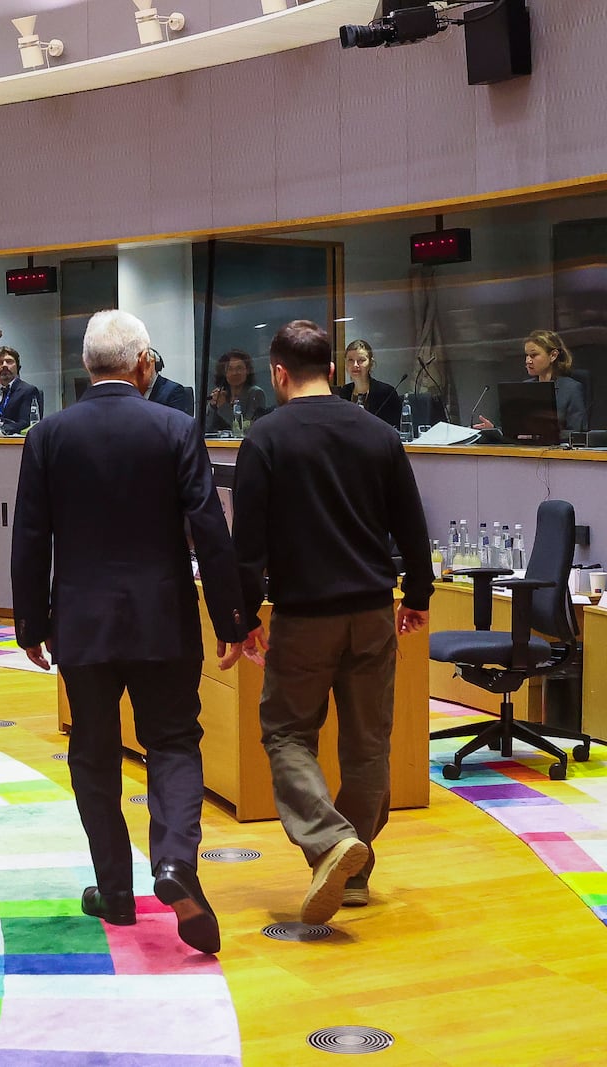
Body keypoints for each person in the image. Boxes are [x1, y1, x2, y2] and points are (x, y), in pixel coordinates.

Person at [11, 308, 246, 956]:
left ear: (89, 366)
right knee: (172, 741)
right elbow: (208, 527)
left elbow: (31, 536)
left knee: (92, 751)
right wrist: (233, 616)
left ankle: (114, 888)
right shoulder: (175, 427)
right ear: (143, 364)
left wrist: (30, 620)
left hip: (80, 624)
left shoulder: (47, 436)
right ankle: (174, 863)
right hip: (163, 619)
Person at [229, 320, 432, 925]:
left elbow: (249, 544)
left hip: (305, 616)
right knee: (368, 746)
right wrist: (417, 594)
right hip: (372, 611)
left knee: (287, 733)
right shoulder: (377, 433)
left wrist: (243, 616)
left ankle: (327, 842)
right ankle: (354, 876)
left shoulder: (264, 438)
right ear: (335, 371)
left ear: (279, 374)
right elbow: (411, 525)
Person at [473, 329, 588, 437]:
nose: (528, 361)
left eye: (534, 355)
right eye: (527, 355)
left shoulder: (571, 388)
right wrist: (494, 429)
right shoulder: (526, 386)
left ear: (553, 355)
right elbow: (517, 430)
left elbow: (577, 433)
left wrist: (547, 434)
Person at [336, 340, 401, 425]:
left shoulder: (386, 393)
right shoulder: (343, 392)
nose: (355, 365)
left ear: (370, 363)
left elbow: (395, 429)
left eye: (361, 360)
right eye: (350, 360)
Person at [204, 350, 269, 434]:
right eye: (230, 369)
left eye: (239, 368)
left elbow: (245, 430)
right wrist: (212, 406)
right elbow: (204, 428)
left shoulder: (255, 394)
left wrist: (223, 406)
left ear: (247, 371)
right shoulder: (221, 394)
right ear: (224, 373)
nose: (234, 373)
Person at [145, 350, 195, 415]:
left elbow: (175, 422)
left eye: (147, 365)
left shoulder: (174, 391)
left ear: (157, 366)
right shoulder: (133, 389)